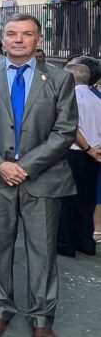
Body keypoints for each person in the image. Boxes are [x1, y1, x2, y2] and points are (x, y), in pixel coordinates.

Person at [0, 13, 78, 337]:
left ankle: (42, 319)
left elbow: (65, 132)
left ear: (39, 40)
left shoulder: (59, 79)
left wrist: (25, 166)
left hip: (43, 180)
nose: (18, 40)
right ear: (3, 38)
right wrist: (1, 164)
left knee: (42, 252)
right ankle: (0, 308)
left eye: (26, 34)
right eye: (12, 34)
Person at [57, 63, 101, 257]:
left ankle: (65, 243)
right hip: (95, 153)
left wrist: (87, 148)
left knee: (67, 199)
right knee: (87, 199)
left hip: (77, 152)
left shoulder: (72, 98)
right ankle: (85, 242)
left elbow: (71, 128)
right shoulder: (96, 99)